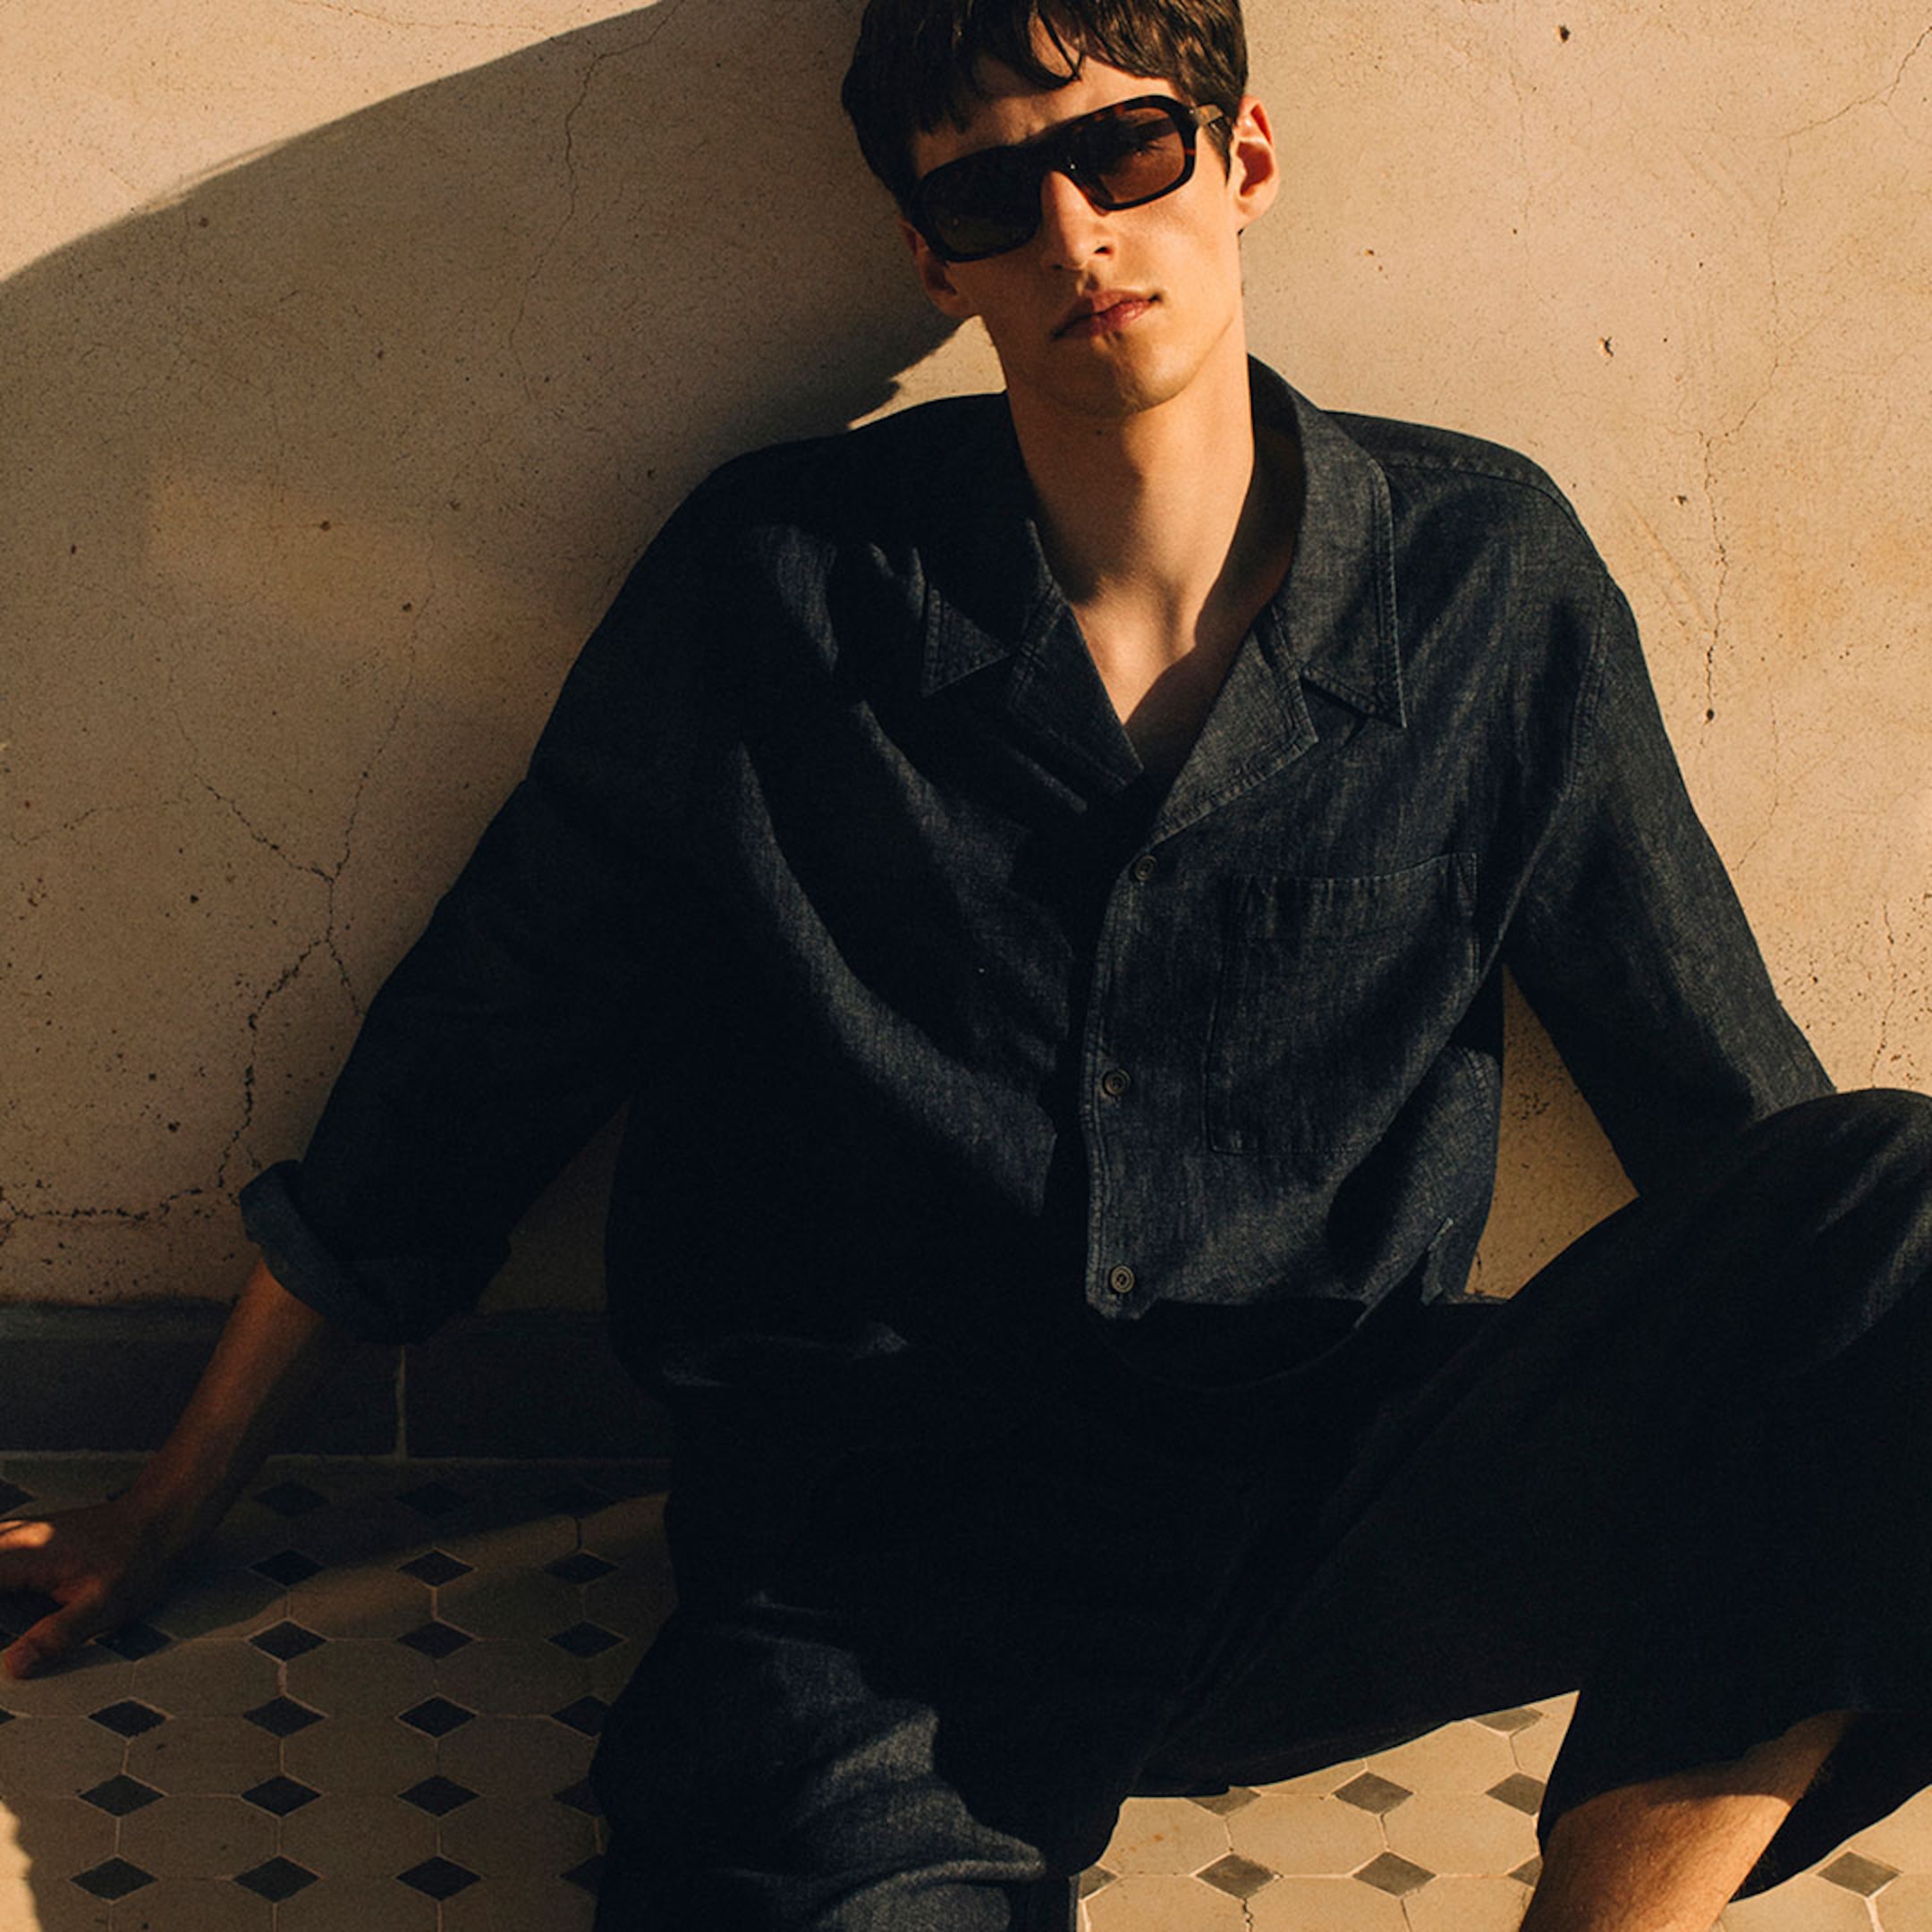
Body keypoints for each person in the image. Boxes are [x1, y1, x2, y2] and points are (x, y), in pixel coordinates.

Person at [4, 2, 1931, 1928]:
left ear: (1244, 159)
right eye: (995, 196)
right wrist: (168, 1504)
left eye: (1128, 151)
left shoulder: (1482, 576)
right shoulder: (779, 585)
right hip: (882, 1578)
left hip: (1330, 1506)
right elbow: (483, 1043)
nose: (1078, 233)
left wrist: (1835, 1409)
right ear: (935, 261)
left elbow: (1733, 1113)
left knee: (1909, 1210)